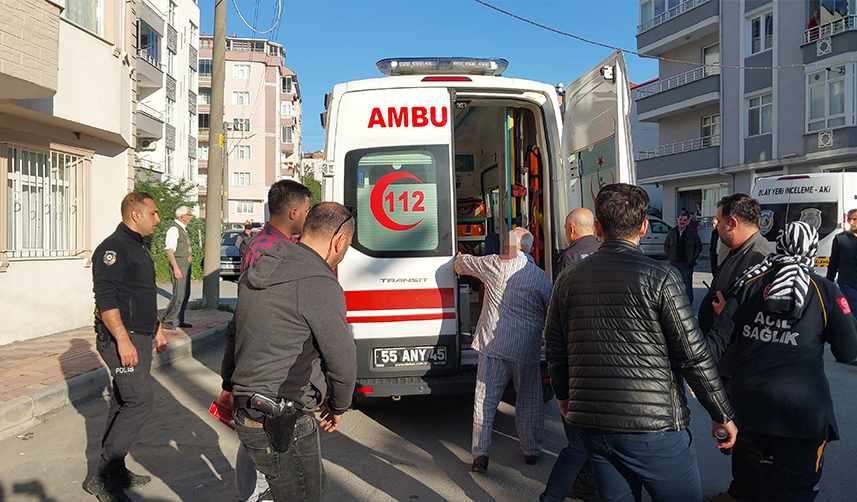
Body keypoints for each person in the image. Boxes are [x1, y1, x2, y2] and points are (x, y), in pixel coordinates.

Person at [545, 183, 736, 502]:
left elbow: (556, 348)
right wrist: (720, 411)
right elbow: (692, 355)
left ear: (597, 228)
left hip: (596, 426)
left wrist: (564, 396)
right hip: (655, 427)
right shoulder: (661, 277)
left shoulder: (567, 279)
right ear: (644, 227)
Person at [705, 222, 857, 502]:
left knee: (748, 486)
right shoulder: (824, 291)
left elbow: (715, 343)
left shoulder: (751, 283)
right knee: (796, 490)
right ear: (812, 251)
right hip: (802, 415)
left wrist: (712, 400)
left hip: (748, 406)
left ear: (780, 246)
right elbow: (848, 352)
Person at [230, 202, 356, 502]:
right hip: (284, 416)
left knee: (293, 489)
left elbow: (233, 334)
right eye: (348, 245)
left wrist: (228, 383)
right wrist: (338, 405)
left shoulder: (260, 266)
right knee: (304, 495)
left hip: (248, 410)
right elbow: (342, 358)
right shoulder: (318, 282)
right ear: (339, 241)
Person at [217, 179, 311, 502]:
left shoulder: (265, 242)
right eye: (306, 210)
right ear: (293, 212)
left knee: (259, 434)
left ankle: (256, 490)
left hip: (258, 357)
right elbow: (253, 313)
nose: (308, 216)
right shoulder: (269, 250)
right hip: (262, 360)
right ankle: (252, 494)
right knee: (259, 435)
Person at [87, 192, 168, 502]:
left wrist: (158, 327)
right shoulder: (113, 249)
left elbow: (140, 292)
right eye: (153, 213)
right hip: (122, 340)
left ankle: (115, 469)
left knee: (123, 399)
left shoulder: (138, 246)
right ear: (136, 214)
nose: (157, 219)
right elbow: (106, 299)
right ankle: (104, 478)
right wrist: (123, 341)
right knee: (138, 400)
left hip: (140, 336)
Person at [455, 228, 553, 473]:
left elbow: (461, 265)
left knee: (485, 401)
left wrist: (458, 256)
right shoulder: (541, 277)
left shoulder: (495, 264)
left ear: (509, 246)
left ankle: (480, 455)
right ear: (530, 249)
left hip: (494, 346)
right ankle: (531, 450)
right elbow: (551, 313)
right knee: (529, 401)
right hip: (526, 349)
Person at [542, 208, 599, 502]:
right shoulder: (604, 252)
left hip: (576, 351)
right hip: (602, 351)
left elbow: (561, 311)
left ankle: (583, 481)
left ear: (572, 230)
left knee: (576, 430)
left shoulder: (568, 258)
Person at [162, 206, 193, 330]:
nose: (191, 217)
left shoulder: (182, 229)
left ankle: (178, 319)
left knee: (185, 293)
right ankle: (168, 319)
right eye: (189, 215)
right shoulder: (174, 229)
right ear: (183, 216)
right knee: (179, 294)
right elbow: (169, 250)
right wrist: (176, 268)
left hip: (185, 266)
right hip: (179, 266)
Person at [664, 212, 703, 302]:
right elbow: (666, 245)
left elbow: (698, 246)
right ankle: (676, 303)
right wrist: (670, 256)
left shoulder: (692, 232)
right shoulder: (672, 232)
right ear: (677, 220)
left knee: (687, 286)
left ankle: (688, 304)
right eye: (680, 220)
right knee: (674, 285)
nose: (682, 222)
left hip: (687, 264)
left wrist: (693, 258)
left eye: (684, 220)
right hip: (674, 263)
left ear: (688, 221)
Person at [826, 208, 857, 319]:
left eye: (855, 219)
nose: (852, 222)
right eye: (850, 219)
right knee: (853, 312)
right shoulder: (840, 239)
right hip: (848, 283)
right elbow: (833, 263)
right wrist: (828, 283)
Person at [556, 207, 600, 275]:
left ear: (571, 229)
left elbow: (562, 281)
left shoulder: (569, 257)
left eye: (566, 228)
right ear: (593, 229)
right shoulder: (606, 251)